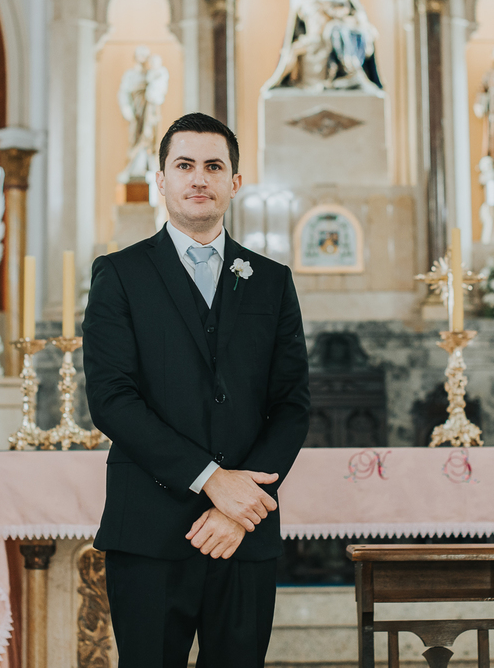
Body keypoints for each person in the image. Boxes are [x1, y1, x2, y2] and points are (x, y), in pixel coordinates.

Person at [83, 112, 311, 666]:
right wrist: (213, 482)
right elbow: (112, 400)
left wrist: (241, 507)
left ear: (235, 183)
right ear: (160, 179)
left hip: (244, 533)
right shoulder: (119, 275)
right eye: (184, 165)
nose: (198, 178)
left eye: (214, 166)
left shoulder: (272, 279)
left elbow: (292, 405)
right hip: (149, 532)